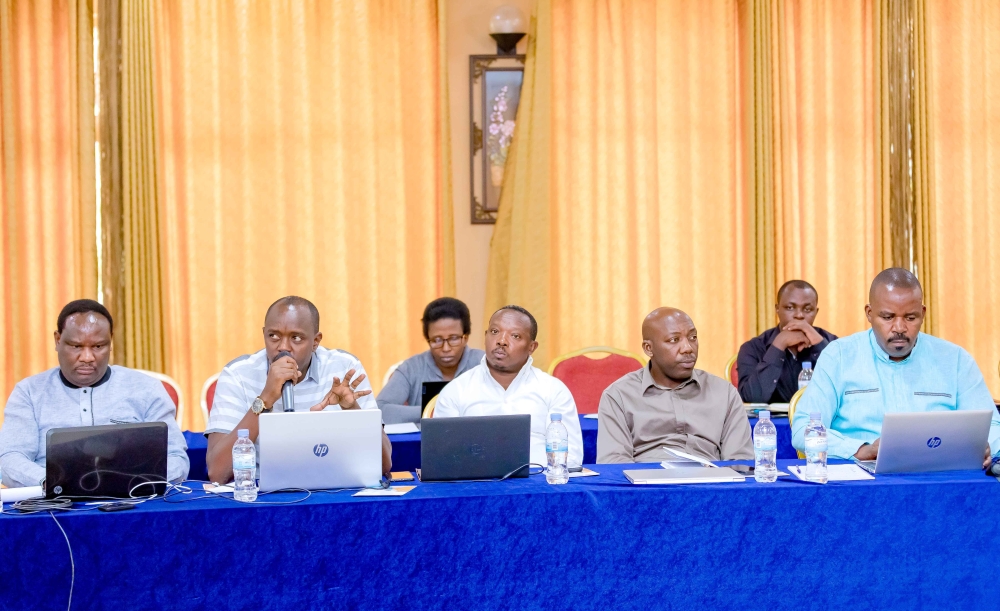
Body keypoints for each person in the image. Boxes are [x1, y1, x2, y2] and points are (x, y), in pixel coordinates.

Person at [792, 268, 1000, 463]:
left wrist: (984, 445)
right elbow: (804, 430)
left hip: (939, 473)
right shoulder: (839, 356)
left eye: (910, 317)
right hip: (862, 475)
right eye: (888, 317)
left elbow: (992, 426)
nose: (899, 328)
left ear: (923, 313)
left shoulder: (954, 360)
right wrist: (860, 450)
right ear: (869, 313)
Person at [0, 299, 189, 487]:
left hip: (133, 497)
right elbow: (9, 458)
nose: (87, 357)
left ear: (110, 341)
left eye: (98, 346)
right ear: (57, 340)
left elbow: (175, 457)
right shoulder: (29, 392)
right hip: (51, 499)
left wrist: (138, 481)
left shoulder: (146, 388)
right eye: (76, 346)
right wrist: (53, 482)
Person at [205, 296, 392, 483]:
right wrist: (265, 400)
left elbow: (384, 465)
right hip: (262, 491)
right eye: (273, 336)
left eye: (296, 338)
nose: (283, 347)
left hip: (337, 487)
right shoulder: (238, 374)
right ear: (264, 334)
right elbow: (217, 472)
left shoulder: (344, 368)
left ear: (315, 341)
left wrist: (352, 410)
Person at [598, 307, 754, 464]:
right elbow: (614, 463)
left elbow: (740, 461)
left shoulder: (724, 393)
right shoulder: (619, 396)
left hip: (708, 477)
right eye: (674, 340)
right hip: (646, 477)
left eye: (692, 337)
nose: (688, 348)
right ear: (649, 348)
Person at [434, 305, 583, 467]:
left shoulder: (553, 390)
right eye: (495, 331)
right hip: (477, 481)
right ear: (485, 336)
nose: (501, 341)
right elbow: (442, 459)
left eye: (515, 336)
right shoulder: (456, 390)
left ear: (531, 347)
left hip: (539, 479)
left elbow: (571, 458)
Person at [376, 297, 485, 424]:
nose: (446, 348)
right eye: (437, 340)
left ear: (465, 338)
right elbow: (380, 410)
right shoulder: (411, 368)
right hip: (424, 437)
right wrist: (432, 410)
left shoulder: (485, 364)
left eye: (454, 338)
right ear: (428, 339)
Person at [737, 280, 837, 404]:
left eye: (807, 309)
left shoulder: (833, 344)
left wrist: (820, 345)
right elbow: (751, 398)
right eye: (790, 308)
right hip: (772, 417)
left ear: (816, 312)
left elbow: (849, 389)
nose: (799, 315)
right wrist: (779, 345)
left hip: (820, 416)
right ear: (777, 309)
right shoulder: (753, 348)